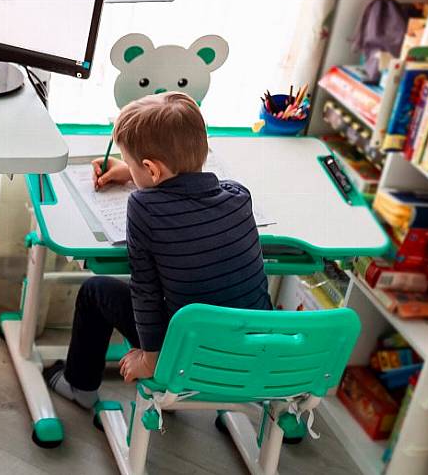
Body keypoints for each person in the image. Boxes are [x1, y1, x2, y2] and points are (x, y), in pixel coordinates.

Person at [44, 92, 270, 409]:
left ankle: (79, 386)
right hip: (250, 351)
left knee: (95, 290)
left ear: (152, 170)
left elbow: (145, 292)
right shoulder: (238, 196)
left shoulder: (143, 207)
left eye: (135, 165)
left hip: (185, 355)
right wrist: (134, 172)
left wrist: (151, 360)